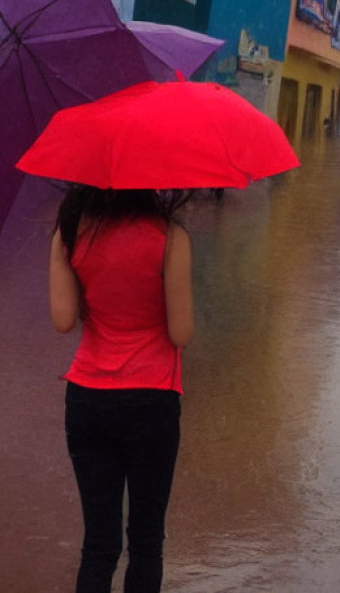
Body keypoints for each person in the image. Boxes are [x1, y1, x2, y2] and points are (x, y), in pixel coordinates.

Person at [49, 185, 194, 593]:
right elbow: (180, 333)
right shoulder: (171, 237)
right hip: (152, 400)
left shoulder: (70, 230)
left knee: (98, 545)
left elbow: (63, 319)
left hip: (87, 400)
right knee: (146, 543)